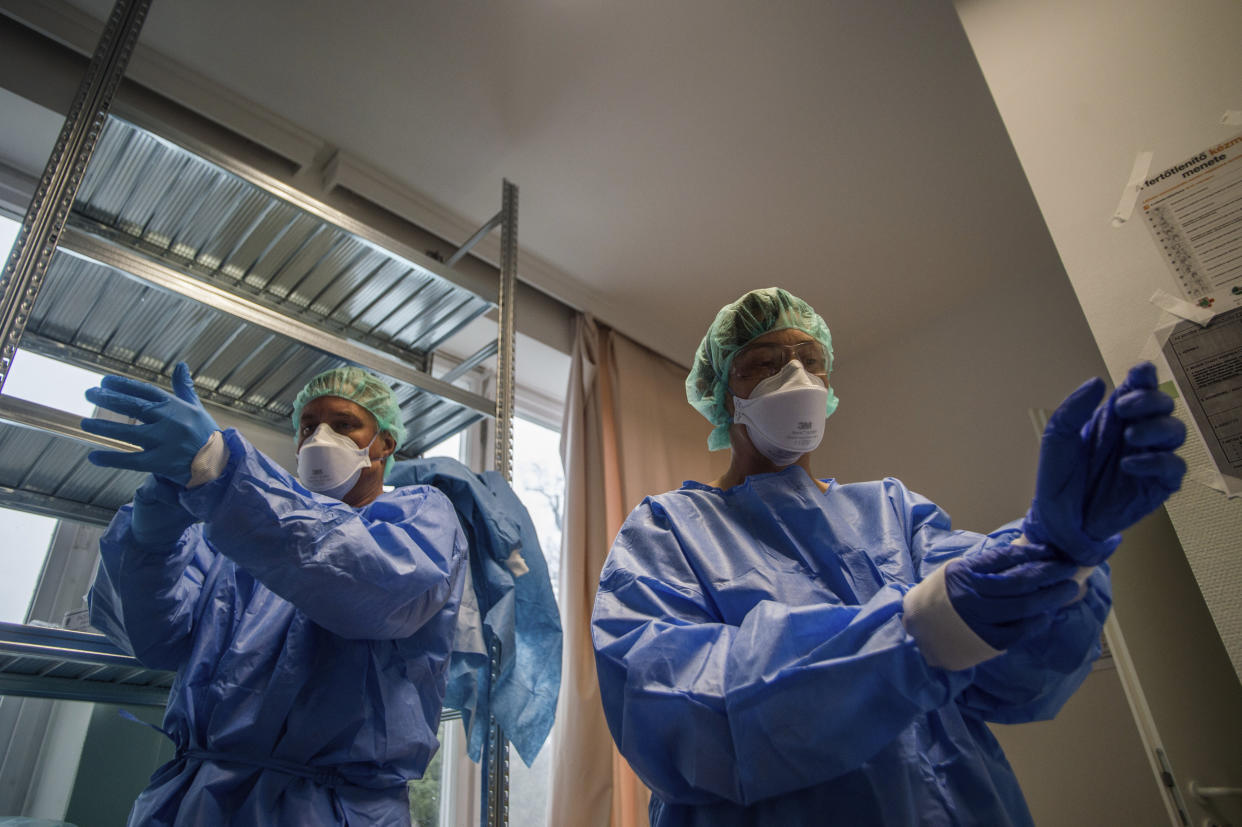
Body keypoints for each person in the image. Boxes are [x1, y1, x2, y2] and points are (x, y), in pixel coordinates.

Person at [591, 287, 1187, 826]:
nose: (796, 378)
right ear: (724, 395)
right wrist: (918, 631)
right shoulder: (668, 530)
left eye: (810, 361)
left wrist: (1062, 558)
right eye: (764, 366)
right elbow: (675, 711)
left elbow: (1010, 679)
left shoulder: (893, 511)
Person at [83, 364, 467, 826]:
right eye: (308, 427)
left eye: (344, 425)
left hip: (332, 808)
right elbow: (153, 641)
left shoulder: (421, 514)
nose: (320, 438)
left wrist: (223, 471)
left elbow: (370, 592)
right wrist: (149, 543)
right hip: (192, 799)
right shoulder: (236, 531)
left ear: (385, 442)